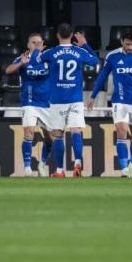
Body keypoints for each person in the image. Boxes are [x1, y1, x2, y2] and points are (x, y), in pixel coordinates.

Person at [87, 29, 132, 177]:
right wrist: (93, 95)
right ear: (122, 42)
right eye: (127, 44)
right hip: (119, 101)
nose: (130, 47)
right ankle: (124, 168)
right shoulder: (113, 56)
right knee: (121, 132)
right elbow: (102, 76)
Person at [39, 23, 99, 177]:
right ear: (72, 35)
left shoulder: (50, 52)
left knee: (58, 134)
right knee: (76, 132)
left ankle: (60, 170)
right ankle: (78, 162)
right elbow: (95, 61)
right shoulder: (79, 51)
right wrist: (85, 44)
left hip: (57, 100)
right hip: (75, 99)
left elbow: (36, 60)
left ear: (57, 35)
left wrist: (37, 51)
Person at [5, 32, 53, 177]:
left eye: (39, 43)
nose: (36, 45)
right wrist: (21, 63)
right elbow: (8, 70)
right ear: (28, 45)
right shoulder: (23, 58)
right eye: (33, 42)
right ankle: (27, 168)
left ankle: (42, 163)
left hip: (47, 104)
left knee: (50, 138)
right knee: (29, 132)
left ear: (43, 45)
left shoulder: (48, 60)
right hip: (29, 102)